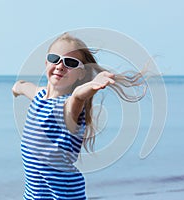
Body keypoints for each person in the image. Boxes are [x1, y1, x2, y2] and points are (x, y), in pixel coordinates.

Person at [12, 32, 148, 200]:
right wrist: (17, 87)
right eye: (55, 58)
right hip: (35, 194)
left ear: (81, 74)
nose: (60, 66)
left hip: (63, 196)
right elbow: (24, 87)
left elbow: (77, 96)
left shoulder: (67, 106)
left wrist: (93, 85)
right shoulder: (39, 96)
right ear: (46, 62)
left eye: (70, 63)